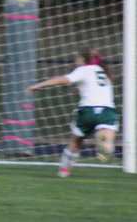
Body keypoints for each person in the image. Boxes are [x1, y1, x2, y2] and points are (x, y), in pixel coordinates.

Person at [26, 47, 118, 177]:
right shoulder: (104, 72)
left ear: (82, 59)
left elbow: (62, 79)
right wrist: (80, 89)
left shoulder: (83, 69)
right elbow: (96, 89)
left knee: (75, 142)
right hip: (107, 112)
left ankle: (64, 172)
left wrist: (38, 85)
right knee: (104, 132)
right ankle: (105, 144)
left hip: (87, 112)